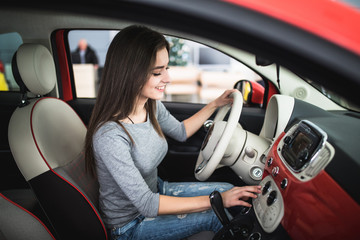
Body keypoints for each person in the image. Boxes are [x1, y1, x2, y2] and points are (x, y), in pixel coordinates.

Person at [84, 25, 261, 240]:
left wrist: (214, 104)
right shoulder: (109, 136)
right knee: (216, 213)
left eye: (166, 68)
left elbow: (181, 131)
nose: (167, 78)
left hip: (158, 190)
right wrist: (219, 200)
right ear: (130, 73)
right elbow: (147, 204)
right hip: (129, 226)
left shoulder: (150, 106)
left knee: (228, 188)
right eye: (158, 72)